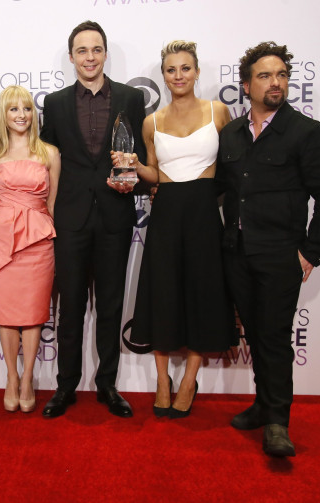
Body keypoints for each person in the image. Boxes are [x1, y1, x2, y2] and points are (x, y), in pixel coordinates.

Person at [217, 42, 320, 456]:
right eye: (265, 76)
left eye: (282, 75)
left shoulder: (306, 133)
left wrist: (312, 250)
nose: (276, 83)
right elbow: (220, 191)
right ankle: (261, 404)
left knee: (273, 337)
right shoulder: (232, 134)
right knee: (255, 332)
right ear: (246, 85)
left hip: (280, 254)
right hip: (237, 251)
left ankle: (277, 422)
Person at [40, 20, 146, 418]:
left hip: (116, 217)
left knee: (111, 306)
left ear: (105, 54)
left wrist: (131, 183)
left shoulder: (132, 98)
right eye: (81, 50)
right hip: (69, 219)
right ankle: (65, 387)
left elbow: (139, 160)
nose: (89, 57)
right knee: (69, 308)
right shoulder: (55, 103)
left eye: (96, 49)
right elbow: (48, 160)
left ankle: (107, 386)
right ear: (72, 57)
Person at [124, 41, 236, 419]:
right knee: (162, 291)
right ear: (164, 75)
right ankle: (161, 380)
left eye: (185, 68)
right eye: (171, 70)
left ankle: (189, 379)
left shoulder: (219, 112)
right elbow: (155, 174)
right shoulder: (151, 122)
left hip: (205, 213)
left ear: (197, 71)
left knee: (202, 292)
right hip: (167, 213)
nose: (178, 76)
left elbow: (232, 169)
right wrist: (135, 166)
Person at [0, 85, 60, 413]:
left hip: (38, 241)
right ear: (4, 114)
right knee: (5, 315)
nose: (21, 115)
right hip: (0, 241)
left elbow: (52, 204)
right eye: (14, 109)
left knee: (32, 314)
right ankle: (10, 378)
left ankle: (27, 378)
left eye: (26, 109)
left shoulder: (49, 153)